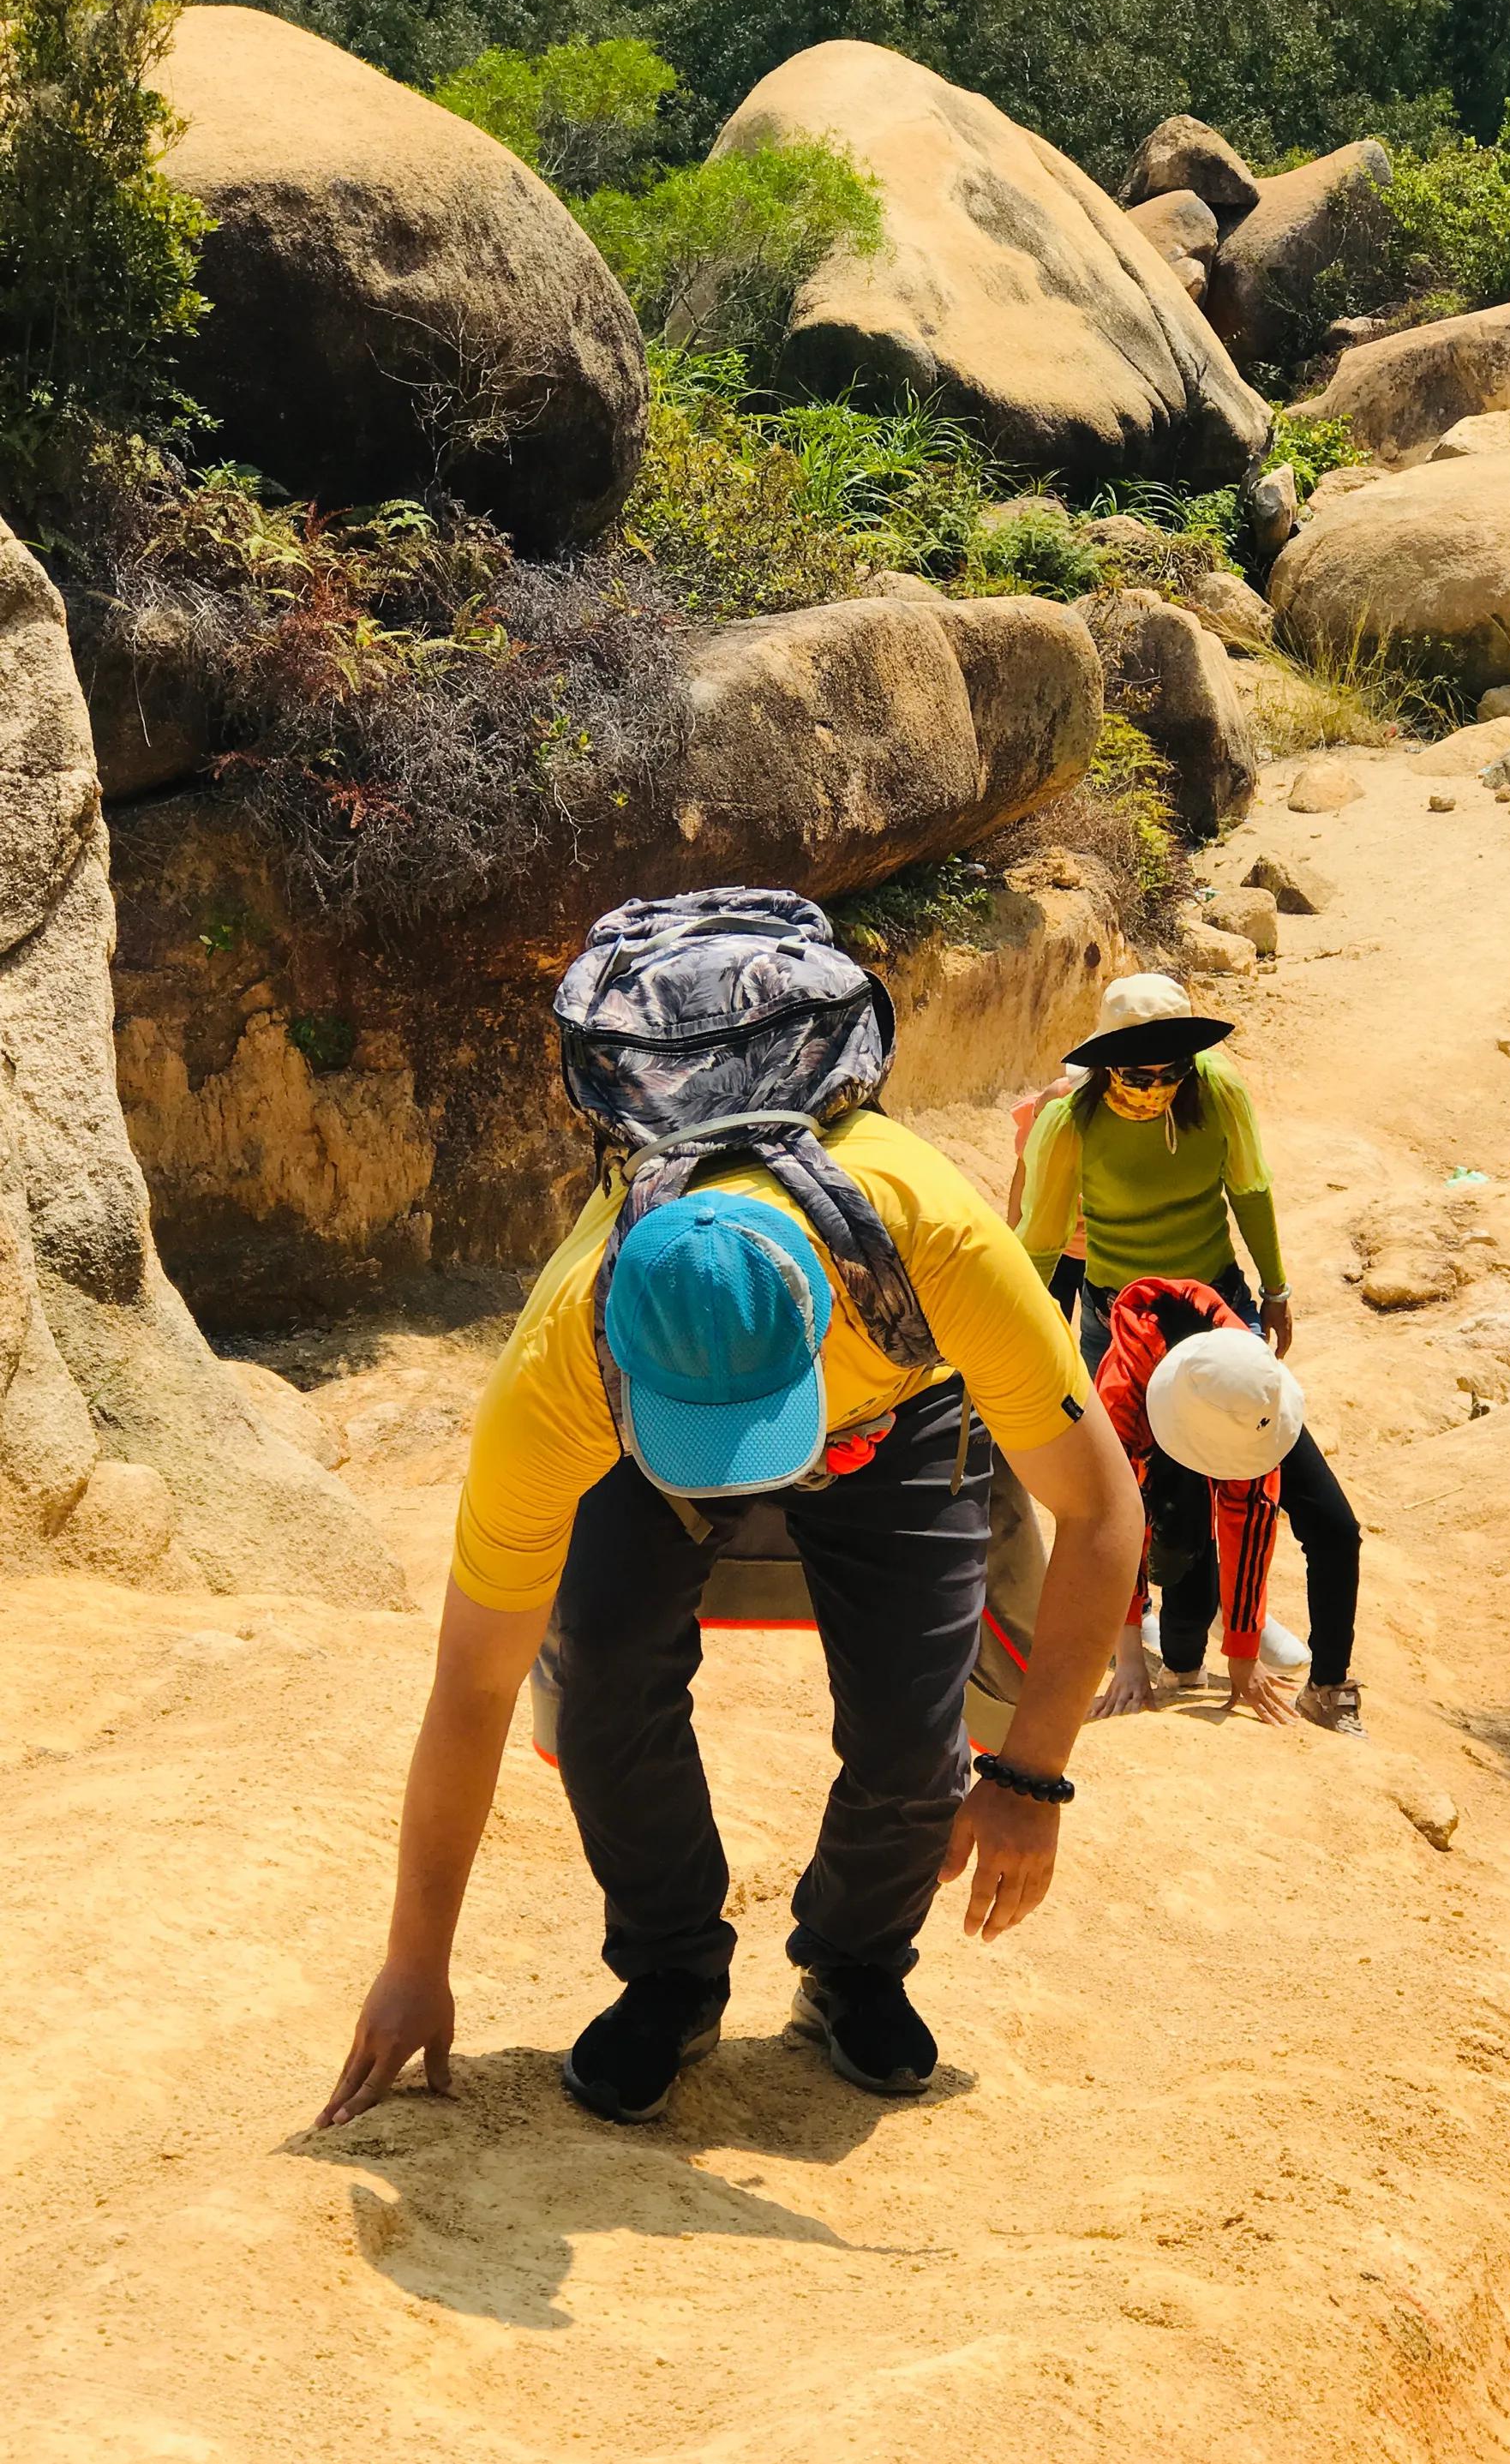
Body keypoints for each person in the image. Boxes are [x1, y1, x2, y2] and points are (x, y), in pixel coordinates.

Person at [320, 894, 1142, 2132]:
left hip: (894, 1413)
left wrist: (1031, 1778)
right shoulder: (558, 1373)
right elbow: (473, 1686)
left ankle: (854, 1968)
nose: (733, 1479)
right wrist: (414, 1962)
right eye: (703, 1450)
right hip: (659, 1424)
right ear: (621, 1362)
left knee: (916, 1736)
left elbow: (1103, 1514)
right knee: (597, 1686)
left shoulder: (942, 1254)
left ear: (825, 1311)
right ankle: (670, 1977)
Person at [1088, 1277, 1365, 1734]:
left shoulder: (1247, 1382)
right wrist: (1129, 1654)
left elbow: (1250, 1515)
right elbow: (1119, 1527)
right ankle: (1181, 1661)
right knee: (1180, 1543)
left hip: (1233, 1413)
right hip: (1164, 1418)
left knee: (1335, 1526)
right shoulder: (1122, 1404)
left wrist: (1243, 1652)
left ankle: (1327, 1688)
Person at [1016, 974, 1291, 1380]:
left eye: (1173, 1070)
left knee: (1255, 1425)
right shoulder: (1071, 1122)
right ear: (1108, 1065)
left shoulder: (1217, 1090)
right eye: (1139, 1077)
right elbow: (1041, 1243)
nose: (1157, 1087)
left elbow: (1249, 1190)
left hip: (1217, 1301)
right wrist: (1017, 1333)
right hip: (1118, 1323)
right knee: (1121, 1445)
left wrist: (1276, 1292)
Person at [1007, 1071, 1083, 1321]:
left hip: (1104, 1252)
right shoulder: (1057, 1097)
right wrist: (1013, 1234)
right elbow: (1025, 1169)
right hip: (1050, 1248)